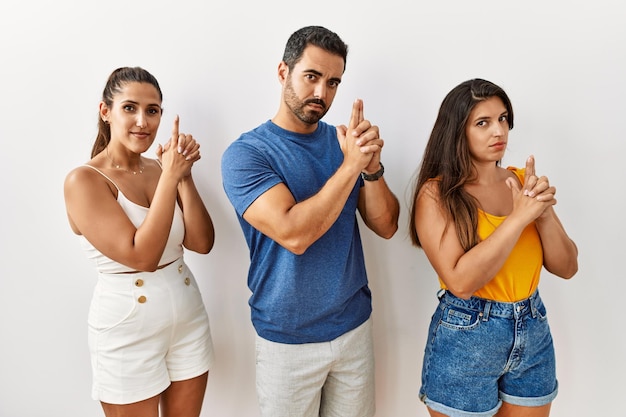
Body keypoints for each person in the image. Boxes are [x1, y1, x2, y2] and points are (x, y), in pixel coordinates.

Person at [221, 26, 400, 417]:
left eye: (333, 82)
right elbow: (294, 234)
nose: (322, 93)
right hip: (288, 341)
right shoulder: (247, 154)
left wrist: (370, 168)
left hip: (353, 329)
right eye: (312, 77)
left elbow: (386, 226)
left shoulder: (343, 142)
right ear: (283, 72)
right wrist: (350, 164)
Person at [409, 78, 578, 417]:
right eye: (482, 123)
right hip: (467, 335)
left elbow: (567, 267)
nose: (498, 131)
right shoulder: (436, 194)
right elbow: (460, 282)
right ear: (457, 131)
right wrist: (518, 219)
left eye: (502, 119)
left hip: (532, 329)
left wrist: (541, 214)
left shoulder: (521, 182)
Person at [63, 66, 215, 417]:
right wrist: (171, 176)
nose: (142, 122)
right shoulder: (83, 180)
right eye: (129, 108)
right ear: (106, 112)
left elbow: (202, 242)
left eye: (152, 110)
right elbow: (142, 256)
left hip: (187, 312)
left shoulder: (161, 168)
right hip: (127, 326)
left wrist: (184, 177)